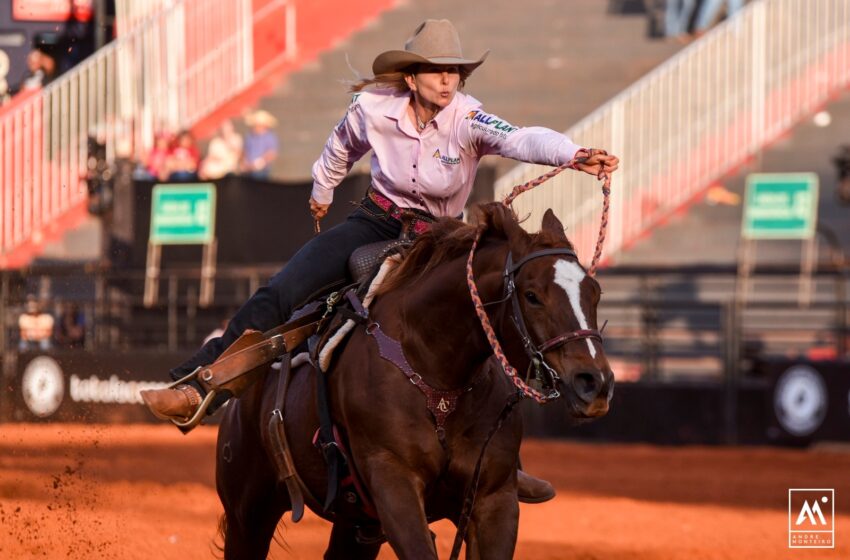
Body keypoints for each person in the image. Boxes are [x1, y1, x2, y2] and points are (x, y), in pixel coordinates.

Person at [141, 19, 619, 502]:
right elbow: (339, 148)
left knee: (495, 312)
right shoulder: (372, 109)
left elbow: (519, 139)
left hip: (443, 237)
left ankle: (503, 463)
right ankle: (203, 386)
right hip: (376, 220)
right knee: (284, 290)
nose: (448, 80)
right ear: (410, 78)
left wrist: (573, 153)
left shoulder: (468, 117)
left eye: (454, 71)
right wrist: (322, 191)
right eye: (436, 71)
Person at [240, 110, 279, 179]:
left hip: (262, 171)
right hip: (248, 169)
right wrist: (245, 162)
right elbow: (245, 150)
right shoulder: (250, 136)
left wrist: (259, 163)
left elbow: (271, 153)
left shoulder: (270, 137)